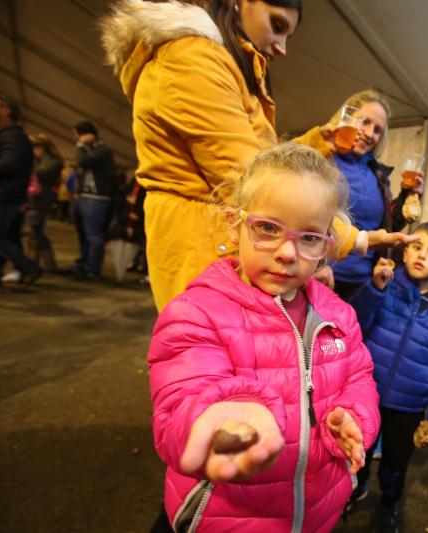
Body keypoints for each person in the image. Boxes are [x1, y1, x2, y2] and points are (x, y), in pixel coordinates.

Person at [101, 0, 412, 312]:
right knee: (207, 347)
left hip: (228, 235)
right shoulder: (192, 58)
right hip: (204, 240)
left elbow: (258, 156)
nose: (282, 47)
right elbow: (251, 177)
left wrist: (317, 142)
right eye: (277, 26)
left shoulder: (222, 63)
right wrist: (352, 240)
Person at [147, 143, 381, 532]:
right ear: (234, 224)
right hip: (229, 516)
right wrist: (222, 421)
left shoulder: (339, 313)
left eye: (309, 238)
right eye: (268, 229)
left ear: (326, 245)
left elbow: (359, 377)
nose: (288, 252)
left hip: (318, 509)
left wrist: (354, 416)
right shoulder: (197, 313)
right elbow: (179, 407)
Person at [347, 221, 428, 532]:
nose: (421, 255)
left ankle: (389, 501)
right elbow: (352, 322)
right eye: (416, 246)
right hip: (366, 392)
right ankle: (356, 488)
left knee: (396, 461)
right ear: (404, 249)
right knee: (359, 449)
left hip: (408, 404)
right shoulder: (386, 284)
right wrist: (374, 289)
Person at [320, 90, 422, 300]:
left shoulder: (377, 174)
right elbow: (304, 218)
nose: (369, 133)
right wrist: (316, 266)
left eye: (377, 130)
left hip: (363, 285)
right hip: (321, 277)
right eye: (364, 122)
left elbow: (384, 227)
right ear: (345, 118)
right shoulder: (321, 159)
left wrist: (407, 196)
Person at [0, 94, 41, 288]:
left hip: (2, 195)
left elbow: (10, 165)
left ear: (6, 110)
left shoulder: (14, 136)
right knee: (0, 235)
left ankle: (29, 267)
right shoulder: (3, 135)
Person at [72, 121, 116, 280]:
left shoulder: (103, 149)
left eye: (77, 134)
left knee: (93, 235)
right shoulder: (90, 150)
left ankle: (93, 268)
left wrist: (81, 145)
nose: (76, 138)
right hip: (83, 197)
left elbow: (82, 161)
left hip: (96, 198)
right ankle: (83, 264)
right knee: (83, 234)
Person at [28, 134, 64, 272]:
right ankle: (34, 261)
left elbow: (42, 173)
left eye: (36, 147)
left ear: (43, 147)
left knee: (36, 230)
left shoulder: (54, 161)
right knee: (33, 231)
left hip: (41, 199)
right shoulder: (39, 160)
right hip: (35, 198)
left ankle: (49, 263)